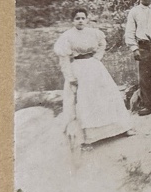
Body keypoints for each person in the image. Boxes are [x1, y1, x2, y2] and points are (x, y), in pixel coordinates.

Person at [52, 8, 133, 145]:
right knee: (85, 99)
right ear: (72, 21)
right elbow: (64, 59)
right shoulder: (67, 36)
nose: (80, 21)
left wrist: (97, 57)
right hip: (78, 68)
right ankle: (89, 135)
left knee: (106, 95)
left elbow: (102, 44)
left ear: (87, 19)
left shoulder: (93, 33)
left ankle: (120, 128)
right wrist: (70, 77)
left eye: (83, 18)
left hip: (94, 67)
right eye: (77, 18)